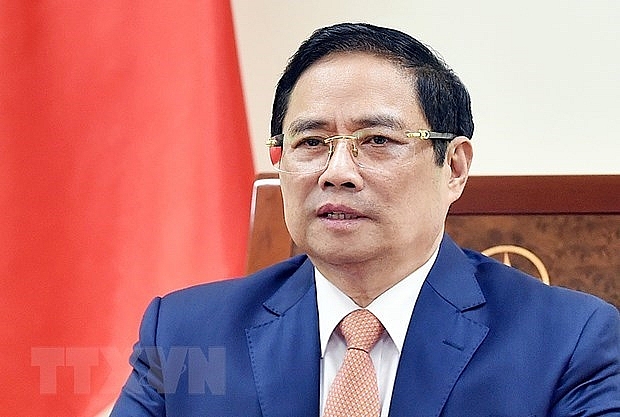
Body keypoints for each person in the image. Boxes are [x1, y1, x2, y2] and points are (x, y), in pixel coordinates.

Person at [111, 23, 620, 416]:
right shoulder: (184, 333)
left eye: (376, 141)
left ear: (455, 168)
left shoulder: (570, 341)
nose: (337, 173)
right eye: (311, 143)